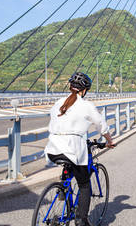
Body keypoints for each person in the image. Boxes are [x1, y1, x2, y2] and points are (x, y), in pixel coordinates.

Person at [44, 72, 115, 226]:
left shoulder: (58, 102)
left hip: (52, 148)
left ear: (71, 87)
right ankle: (81, 220)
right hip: (73, 148)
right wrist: (109, 141)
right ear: (84, 90)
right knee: (84, 185)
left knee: (69, 169)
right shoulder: (86, 105)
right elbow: (101, 125)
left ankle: (63, 187)